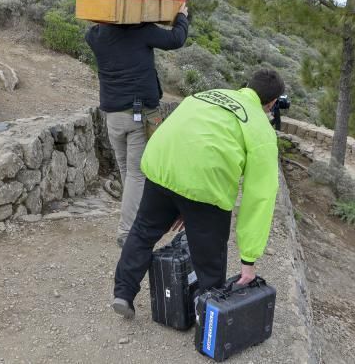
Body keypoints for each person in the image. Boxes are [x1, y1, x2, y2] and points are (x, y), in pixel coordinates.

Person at [111, 69, 285, 319]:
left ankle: (123, 293)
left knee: (143, 231)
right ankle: (208, 317)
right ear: (272, 103)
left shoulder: (206, 95)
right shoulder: (260, 127)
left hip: (162, 168)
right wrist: (249, 258)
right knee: (209, 257)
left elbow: (183, 133)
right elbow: (260, 196)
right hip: (205, 186)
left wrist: (179, 201)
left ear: (245, 85)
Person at [86, 4, 190, 248]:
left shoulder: (95, 36)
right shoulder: (142, 31)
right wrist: (182, 16)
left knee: (127, 170)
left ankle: (135, 218)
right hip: (139, 115)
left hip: (113, 117)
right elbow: (176, 39)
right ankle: (127, 230)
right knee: (136, 173)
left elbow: (95, 26)